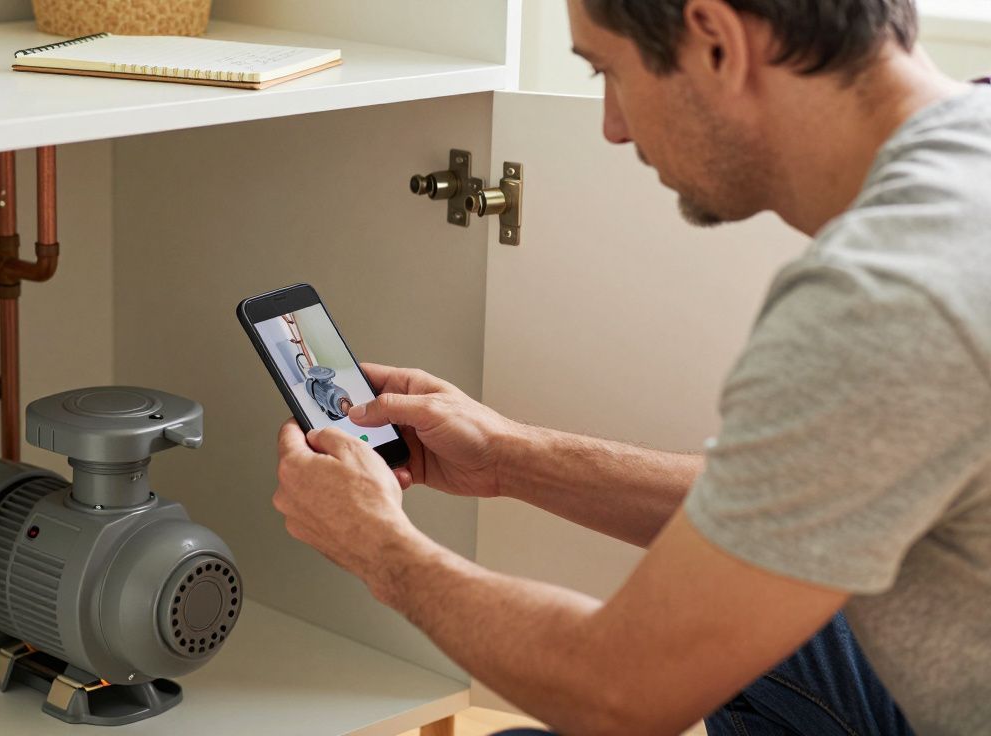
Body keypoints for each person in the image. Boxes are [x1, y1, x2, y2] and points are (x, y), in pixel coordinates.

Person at [270, 1, 991, 734]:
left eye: (608, 71)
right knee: (759, 603)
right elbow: (797, 501)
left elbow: (620, 693)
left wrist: (382, 549)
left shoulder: (888, 296)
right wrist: (509, 459)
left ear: (715, 41)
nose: (613, 125)